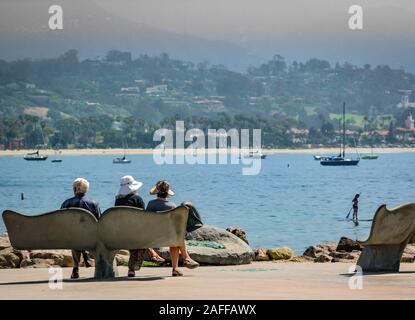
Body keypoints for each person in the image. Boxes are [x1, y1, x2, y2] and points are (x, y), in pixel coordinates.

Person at [114, 175, 165, 277]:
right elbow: (143, 218)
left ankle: (149, 254)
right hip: (136, 233)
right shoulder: (137, 199)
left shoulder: (117, 201)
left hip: (121, 233)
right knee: (139, 236)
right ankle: (145, 257)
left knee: (135, 235)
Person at [147, 180, 200, 277]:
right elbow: (178, 224)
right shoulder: (172, 206)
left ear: (156, 192)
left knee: (175, 235)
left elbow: (147, 222)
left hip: (153, 237)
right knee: (176, 236)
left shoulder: (150, 204)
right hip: (169, 237)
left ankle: (185, 259)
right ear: (168, 193)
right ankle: (177, 267)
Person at [60, 178, 101, 279]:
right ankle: (86, 256)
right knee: (83, 234)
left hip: (73, 237)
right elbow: (99, 221)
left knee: (75, 236)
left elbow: (60, 221)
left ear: (74, 189)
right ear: (86, 190)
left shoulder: (67, 203)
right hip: (90, 236)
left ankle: (76, 268)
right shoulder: (94, 203)